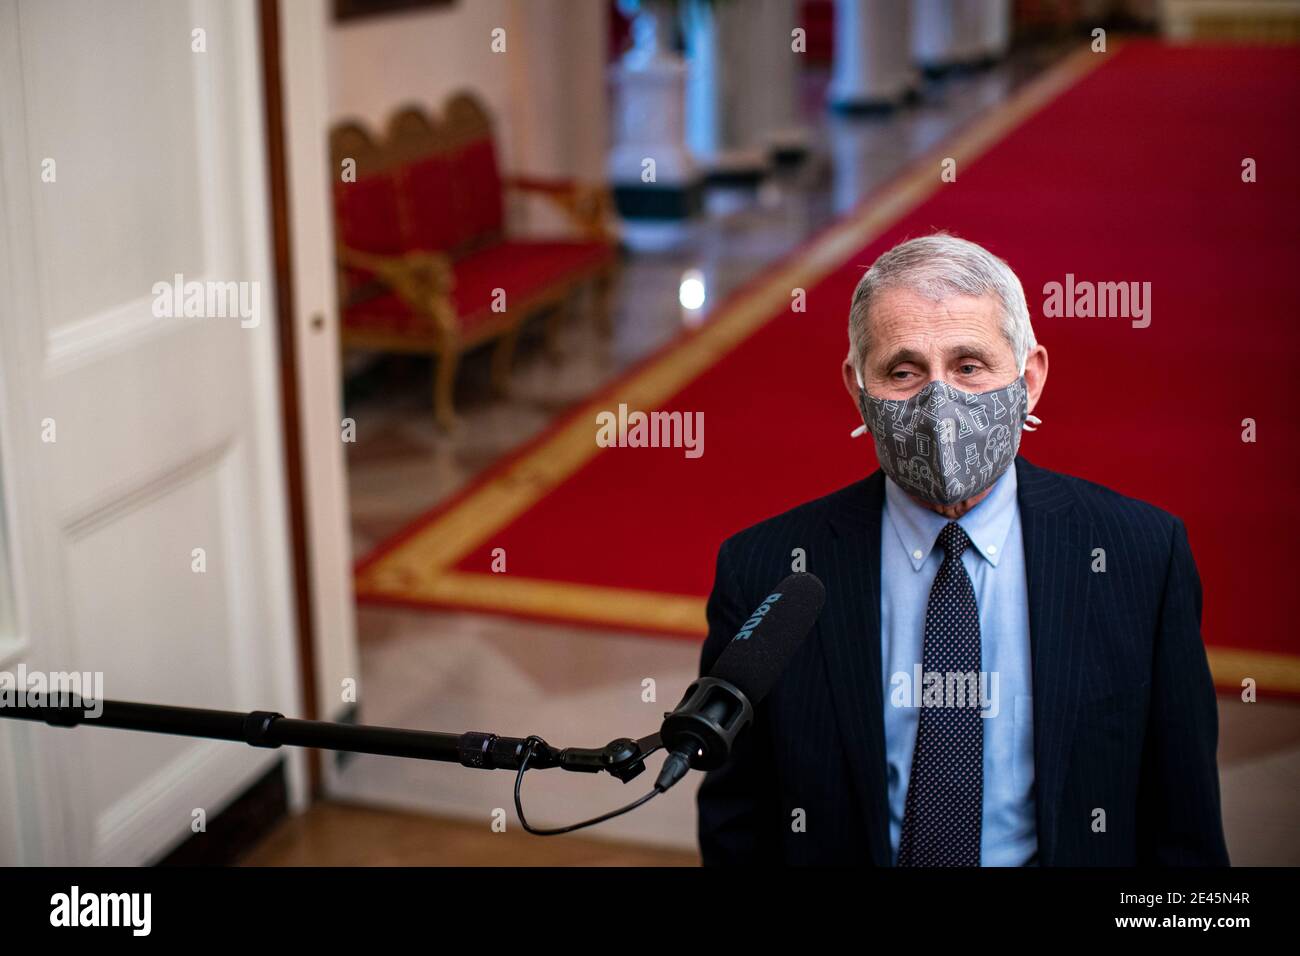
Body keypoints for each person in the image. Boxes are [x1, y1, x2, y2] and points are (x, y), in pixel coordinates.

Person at [696, 234, 1229, 866]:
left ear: (1030, 377)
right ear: (856, 387)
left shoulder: (1140, 556)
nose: (939, 404)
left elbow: (1184, 825)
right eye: (903, 371)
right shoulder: (766, 570)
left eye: (969, 365)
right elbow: (738, 820)